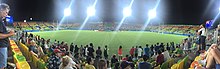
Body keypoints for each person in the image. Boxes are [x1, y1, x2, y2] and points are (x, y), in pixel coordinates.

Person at [0, 3, 15, 69]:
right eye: (5, 12)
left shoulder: (2, 20)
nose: (6, 14)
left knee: (3, 63)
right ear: (1, 10)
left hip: (3, 45)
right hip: (1, 46)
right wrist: (10, 34)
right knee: (2, 65)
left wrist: (8, 32)